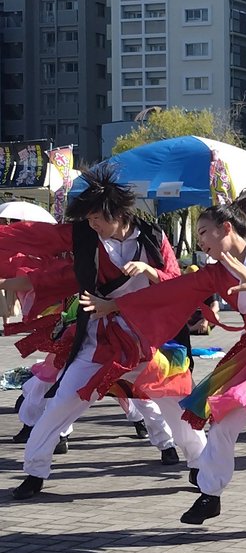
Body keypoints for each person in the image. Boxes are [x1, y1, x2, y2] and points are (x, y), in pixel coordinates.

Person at [86, 194, 246, 529]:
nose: (200, 241)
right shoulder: (217, 273)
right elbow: (172, 290)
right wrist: (115, 306)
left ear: (226, 228)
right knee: (223, 423)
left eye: (204, 232)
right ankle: (210, 494)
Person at [0, 165, 204, 500]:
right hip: (99, 339)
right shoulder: (83, 236)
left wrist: (150, 271)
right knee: (62, 403)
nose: (93, 225)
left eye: (97, 218)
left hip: (148, 340)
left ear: (117, 213)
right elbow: (36, 238)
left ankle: (200, 464)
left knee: (175, 404)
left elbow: (177, 282)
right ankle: (34, 472)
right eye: (89, 219)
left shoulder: (153, 237)